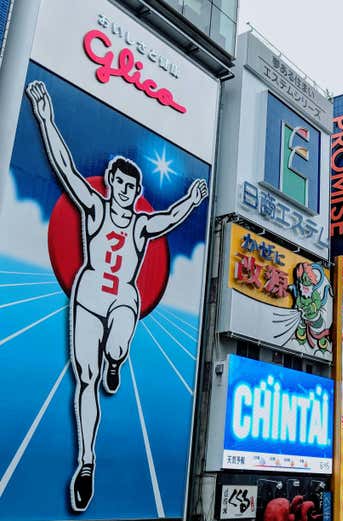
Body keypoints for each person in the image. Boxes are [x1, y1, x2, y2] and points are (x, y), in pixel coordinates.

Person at [26, 80, 208, 512]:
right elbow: (65, 168)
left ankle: (116, 358)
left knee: (120, 335)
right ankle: (86, 462)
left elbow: (169, 218)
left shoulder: (140, 225)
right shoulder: (94, 208)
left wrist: (192, 201)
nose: (125, 191)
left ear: (136, 192)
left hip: (123, 295)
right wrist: (46, 119)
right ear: (111, 183)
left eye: (131, 186)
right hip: (89, 295)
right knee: (85, 380)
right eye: (120, 183)